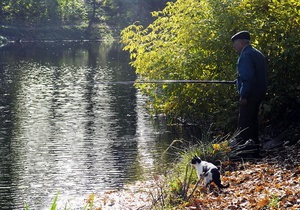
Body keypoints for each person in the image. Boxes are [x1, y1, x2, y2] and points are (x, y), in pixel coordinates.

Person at [231, 31, 267, 152]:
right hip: (259, 93)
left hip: (250, 95)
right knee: (253, 121)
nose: (234, 46)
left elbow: (248, 78)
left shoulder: (245, 55)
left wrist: (243, 95)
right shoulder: (257, 53)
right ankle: (255, 148)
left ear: (241, 42)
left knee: (244, 123)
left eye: (235, 43)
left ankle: (243, 151)